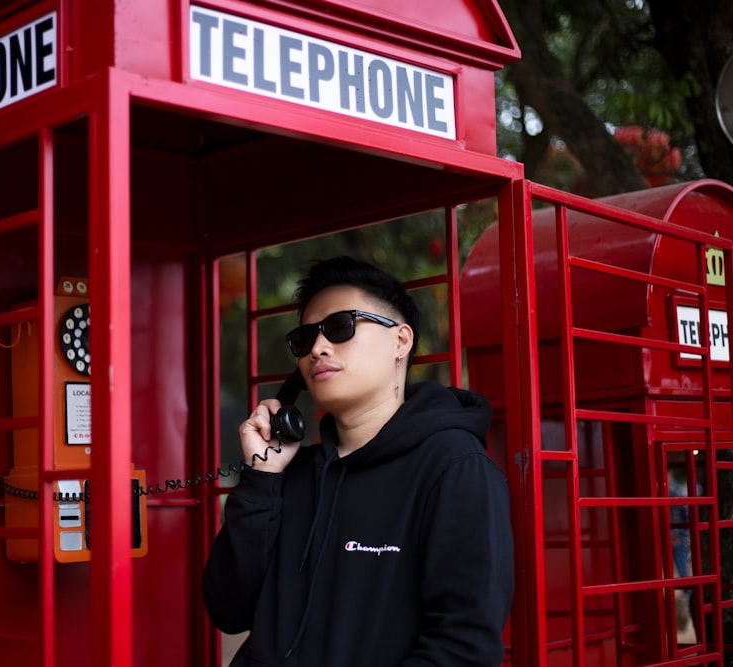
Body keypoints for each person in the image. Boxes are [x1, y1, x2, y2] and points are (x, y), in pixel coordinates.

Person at [202, 256, 515, 666]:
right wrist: (262, 479)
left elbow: (462, 647)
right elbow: (228, 609)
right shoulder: (289, 475)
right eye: (304, 338)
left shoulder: (454, 469)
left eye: (339, 326)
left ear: (400, 341)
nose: (317, 348)